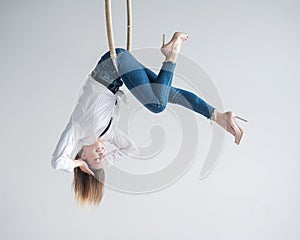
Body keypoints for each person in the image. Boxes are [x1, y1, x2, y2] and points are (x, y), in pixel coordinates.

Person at [51, 32, 247, 206]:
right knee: (169, 95)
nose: (102, 153)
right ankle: (218, 116)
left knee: (157, 105)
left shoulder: (77, 130)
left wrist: (78, 165)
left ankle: (171, 55)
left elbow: (58, 162)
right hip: (120, 73)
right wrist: (105, 161)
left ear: (82, 156)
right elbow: (131, 148)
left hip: (111, 65)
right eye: (102, 157)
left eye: (95, 158)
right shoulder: (108, 135)